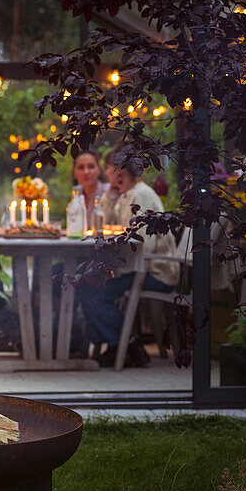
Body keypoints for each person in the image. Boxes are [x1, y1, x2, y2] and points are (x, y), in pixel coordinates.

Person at [79, 153, 179, 368]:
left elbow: (144, 244)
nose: (106, 174)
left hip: (156, 271)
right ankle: (118, 345)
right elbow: (108, 224)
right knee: (87, 284)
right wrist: (111, 198)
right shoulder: (128, 195)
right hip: (142, 267)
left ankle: (128, 345)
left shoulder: (141, 196)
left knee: (92, 289)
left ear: (121, 172)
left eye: (109, 169)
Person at [72, 150, 109, 230]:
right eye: (81, 167)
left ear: (99, 169)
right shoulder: (76, 194)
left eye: (91, 166)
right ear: (74, 172)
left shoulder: (108, 192)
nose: (86, 172)